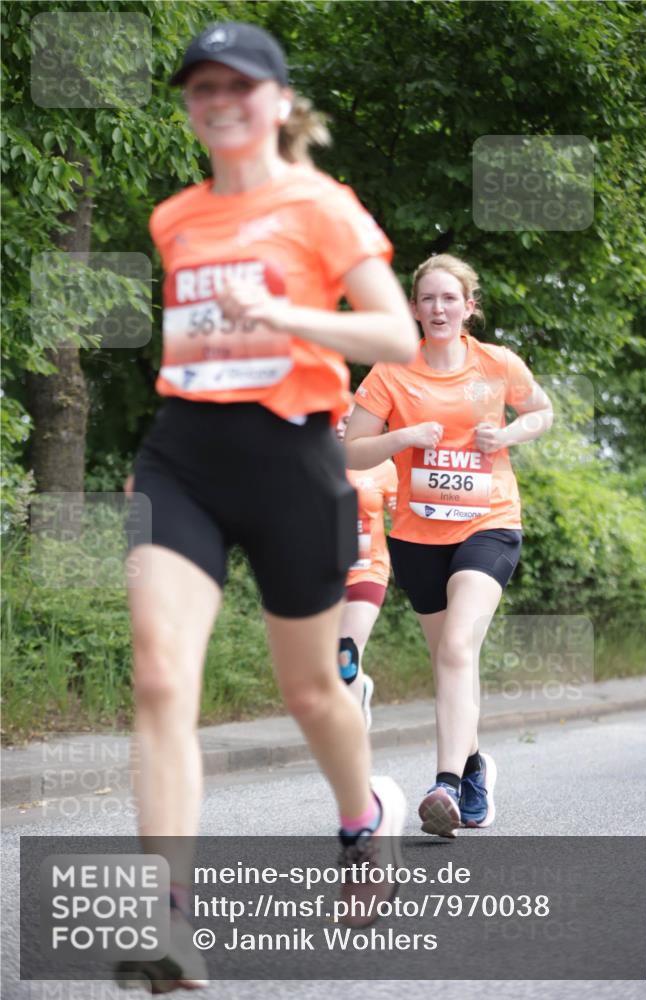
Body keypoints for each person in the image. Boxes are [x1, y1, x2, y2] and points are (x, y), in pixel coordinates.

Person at [120, 21, 417, 992]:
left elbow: (396, 333)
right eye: (200, 87)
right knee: (163, 678)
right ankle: (166, 920)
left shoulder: (321, 207)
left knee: (309, 691)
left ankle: (362, 817)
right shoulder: (175, 218)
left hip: (296, 462)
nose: (218, 100)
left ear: (278, 103)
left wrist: (290, 317)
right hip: (183, 459)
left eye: (238, 85)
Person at [345, 253, 553, 839]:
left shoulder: (496, 363)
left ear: (469, 307)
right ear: (414, 308)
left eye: (449, 299)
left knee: (459, 646)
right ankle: (476, 763)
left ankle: (446, 785)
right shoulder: (392, 370)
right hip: (417, 535)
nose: (439, 308)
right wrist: (404, 436)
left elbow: (541, 411)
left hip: (489, 523)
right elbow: (353, 449)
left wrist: (507, 432)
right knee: (447, 661)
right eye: (428, 299)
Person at [335, 405, 397, 729]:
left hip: (367, 569)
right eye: (335, 418)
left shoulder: (382, 468)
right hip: (322, 575)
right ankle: (361, 687)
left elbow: (404, 521)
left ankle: (352, 738)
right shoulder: (310, 461)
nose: (340, 425)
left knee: (345, 652)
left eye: (347, 419)